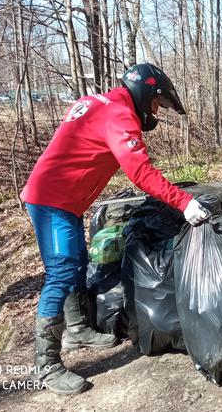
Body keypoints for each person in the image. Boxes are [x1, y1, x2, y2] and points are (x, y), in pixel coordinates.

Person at [21, 63, 209, 394]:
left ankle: (77, 328)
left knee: (78, 261)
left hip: (63, 200)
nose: (155, 112)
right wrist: (184, 202)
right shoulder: (119, 115)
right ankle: (46, 365)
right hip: (52, 201)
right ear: (145, 93)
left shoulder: (97, 102)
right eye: (156, 104)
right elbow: (140, 173)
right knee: (61, 273)